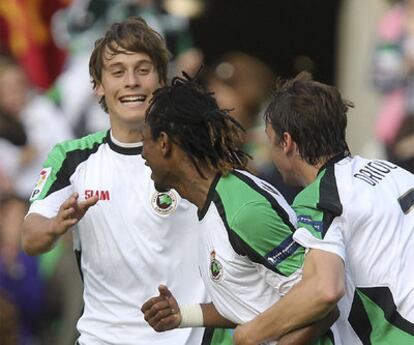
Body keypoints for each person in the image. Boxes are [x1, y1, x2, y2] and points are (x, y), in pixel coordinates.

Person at [22, 17, 229, 345]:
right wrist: (55, 226)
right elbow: (31, 239)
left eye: (143, 70)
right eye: (117, 72)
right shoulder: (72, 157)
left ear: (162, 81)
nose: (131, 81)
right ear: (99, 86)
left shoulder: (199, 152)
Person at [140, 75, 338, 344]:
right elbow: (255, 303)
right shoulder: (210, 205)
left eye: (145, 143)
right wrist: (181, 315)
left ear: (163, 143)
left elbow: (320, 306)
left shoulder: (243, 211)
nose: (142, 155)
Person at [233, 72, 414, 344]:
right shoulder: (394, 172)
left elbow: (324, 289)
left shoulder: (319, 196)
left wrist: (248, 334)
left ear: (287, 142)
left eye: (270, 141)